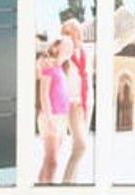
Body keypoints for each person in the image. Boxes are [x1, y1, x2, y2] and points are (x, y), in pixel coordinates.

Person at [60, 20, 93, 183]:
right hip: (72, 104)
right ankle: (66, 184)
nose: (74, 34)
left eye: (76, 30)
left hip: (87, 104)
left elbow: (118, 44)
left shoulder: (88, 51)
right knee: (81, 146)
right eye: (69, 33)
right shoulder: (64, 55)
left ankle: (72, 184)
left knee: (77, 147)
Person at [37, 37, 72, 184]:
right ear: (56, 48)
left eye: (71, 47)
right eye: (67, 46)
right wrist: (49, 118)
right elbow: (44, 94)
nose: (70, 48)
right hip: (50, 117)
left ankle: (39, 192)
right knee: (53, 162)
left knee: (48, 161)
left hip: (61, 118)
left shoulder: (62, 69)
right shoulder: (49, 66)